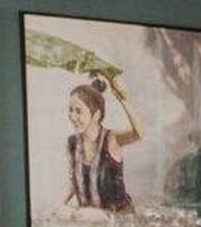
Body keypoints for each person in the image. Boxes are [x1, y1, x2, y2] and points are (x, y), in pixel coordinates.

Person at [60, 74, 142, 218]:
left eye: (78, 111)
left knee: (81, 215)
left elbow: (139, 133)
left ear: (96, 115)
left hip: (120, 217)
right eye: (70, 110)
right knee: (68, 213)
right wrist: (59, 205)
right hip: (89, 216)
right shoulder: (71, 143)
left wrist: (123, 99)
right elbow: (73, 182)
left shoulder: (111, 139)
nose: (72, 117)